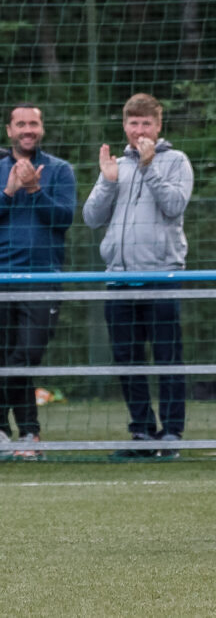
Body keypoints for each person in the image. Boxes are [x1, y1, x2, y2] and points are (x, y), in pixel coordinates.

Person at [82, 93, 194, 459]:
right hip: (117, 278)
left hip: (162, 277)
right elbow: (91, 218)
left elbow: (175, 205)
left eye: (146, 123)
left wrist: (149, 168)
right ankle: (142, 432)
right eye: (133, 123)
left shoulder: (176, 161)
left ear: (158, 126)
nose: (139, 130)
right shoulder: (117, 166)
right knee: (127, 360)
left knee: (168, 358)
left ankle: (172, 434)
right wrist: (108, 180)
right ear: (124, 126)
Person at [0, 103, 76, 460]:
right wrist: (9, 191)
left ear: (41, 128)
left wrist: (34, 190)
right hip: (2, 279)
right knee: (4, 357)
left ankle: (24, 432)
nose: (27, 129)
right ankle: (14, 434)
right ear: (9, 130)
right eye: (21, 124)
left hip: (42, 281)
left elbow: (63, 219)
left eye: (33, 123)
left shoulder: (60, 170)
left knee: (24, 357)